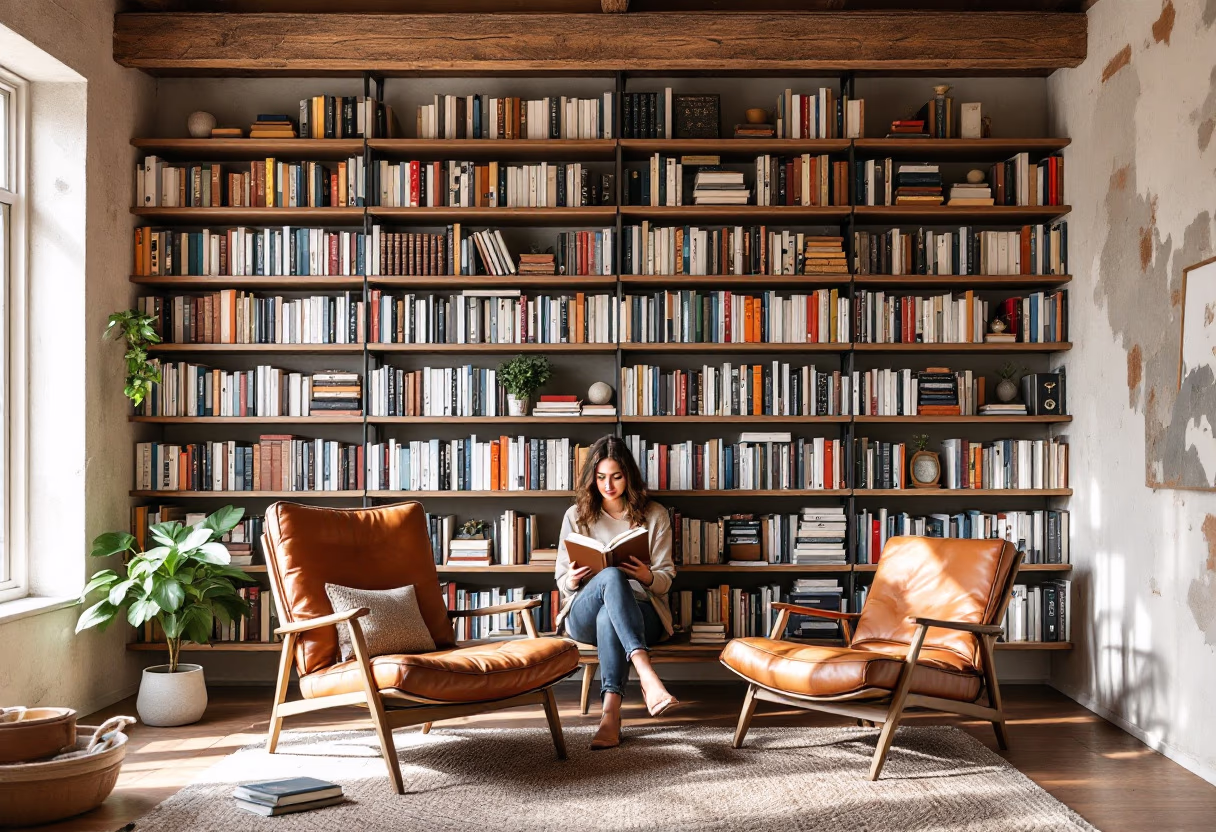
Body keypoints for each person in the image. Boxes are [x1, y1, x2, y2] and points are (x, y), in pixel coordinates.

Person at [555, 435, 679, 750]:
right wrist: (571, 579)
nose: (608, 485)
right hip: (581, 613)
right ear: (591, 479)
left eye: (616, 477)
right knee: (610, 576)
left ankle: (610, 714)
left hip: (641, 612)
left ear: (629, 477)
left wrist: (647, 575)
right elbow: (560, 582)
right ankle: (646, 675)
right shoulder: (576, 516)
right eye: (600, 478)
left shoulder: (654, 515)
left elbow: (666, 580)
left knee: (608, 615)